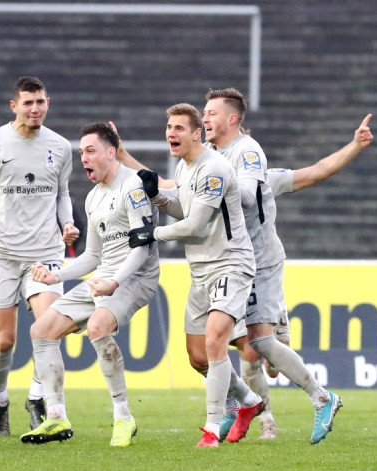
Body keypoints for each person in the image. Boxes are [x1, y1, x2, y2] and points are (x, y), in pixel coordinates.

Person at [202, 87, 341, 445]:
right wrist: (127, 164)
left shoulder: (248, 152)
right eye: (203, 112)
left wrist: (355, 144)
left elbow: (251, 193)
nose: (205, 118)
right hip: (228, 262)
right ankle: (248, 408)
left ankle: (312, 398)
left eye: (211, 113)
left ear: (232, 118)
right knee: (221, 349)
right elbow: (175, 188)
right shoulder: (209, 156)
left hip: (259, 263)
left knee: (257, 344)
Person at [128, 103, 262, 448]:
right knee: (198, 357)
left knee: (216, 341)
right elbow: (184, 209)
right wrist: (158, 196)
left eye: (179, 128)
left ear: (196, 133)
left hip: (230, 263)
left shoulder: (214, 168)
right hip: (200, 269)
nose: (171, 134)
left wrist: (153, 234)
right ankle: (249, 401)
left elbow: (196, 224)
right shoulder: (184, 167)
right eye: (169, 127)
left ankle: (212, 429)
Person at [19, 123, 159, 447]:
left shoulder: (133, 187)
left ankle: (123, 417)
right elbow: (93, 256)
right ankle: (56, 416)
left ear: (111, 152)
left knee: (97, 326)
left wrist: (114, 282)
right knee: (41, 331)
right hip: (105, 278)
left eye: (90, 151)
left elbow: (142, 248)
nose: (83, 158)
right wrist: (57, 276)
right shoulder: (94, 197)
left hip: (136, 277)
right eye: (81, 152)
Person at [0, 76, 79, 436]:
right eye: (28, 102)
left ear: (48, 103)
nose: (35, 108)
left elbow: (62, 193)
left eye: (40, 101)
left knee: (49, 330)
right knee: (4, 342)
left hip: (45, 252)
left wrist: (67, 222)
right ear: (14, 106)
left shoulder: (60, 146)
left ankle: (36, 397)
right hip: (1, 252)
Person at [261, 113, 374, 376]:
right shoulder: (209, 182)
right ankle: (264, 408)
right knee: (246, 348)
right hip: (229, 270)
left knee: (275, 361)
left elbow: (317, 170)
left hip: (265, 272)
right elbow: (169, 187)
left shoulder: (265, 179)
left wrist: (355, 145)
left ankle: (313, 390)